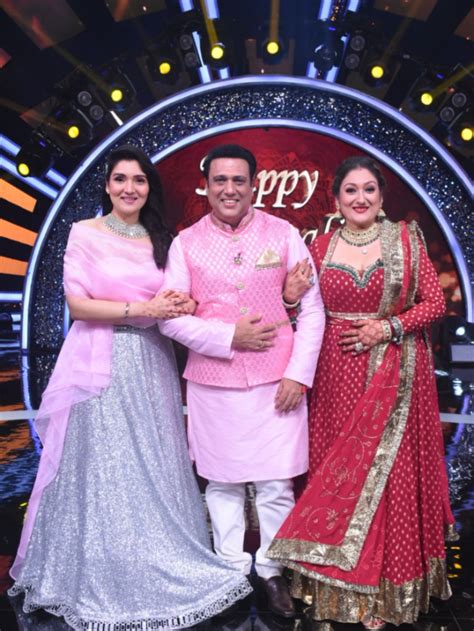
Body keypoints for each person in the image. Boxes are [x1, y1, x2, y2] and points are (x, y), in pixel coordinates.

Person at [8, 145, 252, 629]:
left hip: (151, 361)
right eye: (120, 179)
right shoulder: (84, 232)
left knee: (153, 462)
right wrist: (142, 310)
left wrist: (179, 304)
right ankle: (100, 568)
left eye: (139, 180)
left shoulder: (163, 238)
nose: (129, 188)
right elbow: (78, 306)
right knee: (104, 467)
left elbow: (176, 299)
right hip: (98, 359)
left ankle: (157, 557)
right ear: (107, 185)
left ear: (148, 188)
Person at [267, 155, 457, 628]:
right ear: (336, 199)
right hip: (334, 377)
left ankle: (385, 593)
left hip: (393, 372)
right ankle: (331, 589)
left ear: (381, 196)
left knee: (386, 476)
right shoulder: (320, 246)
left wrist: (386, 328)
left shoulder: (405, 241)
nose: (360, 198)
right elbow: (301, 312)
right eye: (350, 190)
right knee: (337, 476)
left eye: (369, 189)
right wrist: (289, 296)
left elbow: (435, 303)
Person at [159, 144, 326, 618]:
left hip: (278, 382)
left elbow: (312, 310)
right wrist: (229, 336)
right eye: (220, 180)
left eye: (238, 180)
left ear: (253, 185)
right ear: (206, 187)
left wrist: (298, 374)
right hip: (213, 382)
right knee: (222, 484)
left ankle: (272, 571)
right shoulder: (185, 244)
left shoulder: (284, 233)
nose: (229, 189)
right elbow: (170, 318)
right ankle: (231, 571)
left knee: (276, 484)